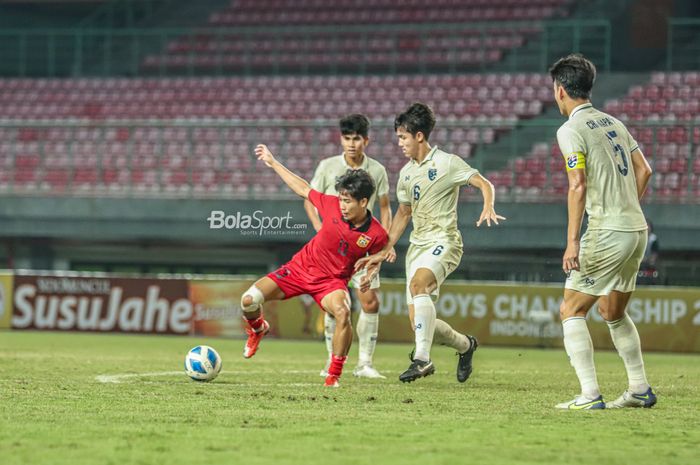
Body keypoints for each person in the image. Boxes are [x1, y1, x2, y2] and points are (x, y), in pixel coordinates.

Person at [356, 102, 505, 383]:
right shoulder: (406, 173)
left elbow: (484, 182)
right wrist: (385, 249)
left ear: (419, 136)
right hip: (417, 247)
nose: (399, 143)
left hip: (445, 241)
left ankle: (422, 360)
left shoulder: (447, 163)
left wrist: (488, 204)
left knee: (418, 286)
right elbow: (403, 212)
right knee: (420, 324)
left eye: (403, 137)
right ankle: (466, 346)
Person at [550, 53, 656, 410]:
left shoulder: (570, 130)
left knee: (570, 310)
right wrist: (628, 206)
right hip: (636, 229)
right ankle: (639, 389)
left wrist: (571, 242)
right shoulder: (614, 122)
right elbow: (646, 170)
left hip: (608, 231)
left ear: (561, 90)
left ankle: (589, 394)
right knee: (612, 311)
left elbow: (576, 184)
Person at [241, 144, 388, 387]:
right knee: (248, 300)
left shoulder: (376, 234)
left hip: (331, 283)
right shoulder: (330, 204)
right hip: (299, 270)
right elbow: (303, 189)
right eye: (341, 199)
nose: (342, 205)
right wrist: (274, 163)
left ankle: (333, 375)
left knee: (343, 312)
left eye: (348, 201)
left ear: (363, 202)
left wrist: (373, 268)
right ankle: (257, 329)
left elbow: (378, 254)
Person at [304, 113, 395, 379]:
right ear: (340, 139)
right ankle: (331, 360)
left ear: (366, 140)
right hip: (331, 252)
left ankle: (364, 364)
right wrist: (320, 228)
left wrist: (385, 244)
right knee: (335, 305)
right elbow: (309, 200)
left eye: (357, 138)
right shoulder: (327, 166)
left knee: (369, 301)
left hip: (363, 248)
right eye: (347, 138)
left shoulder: (376, 170)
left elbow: (386, 208)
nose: (352, 144)